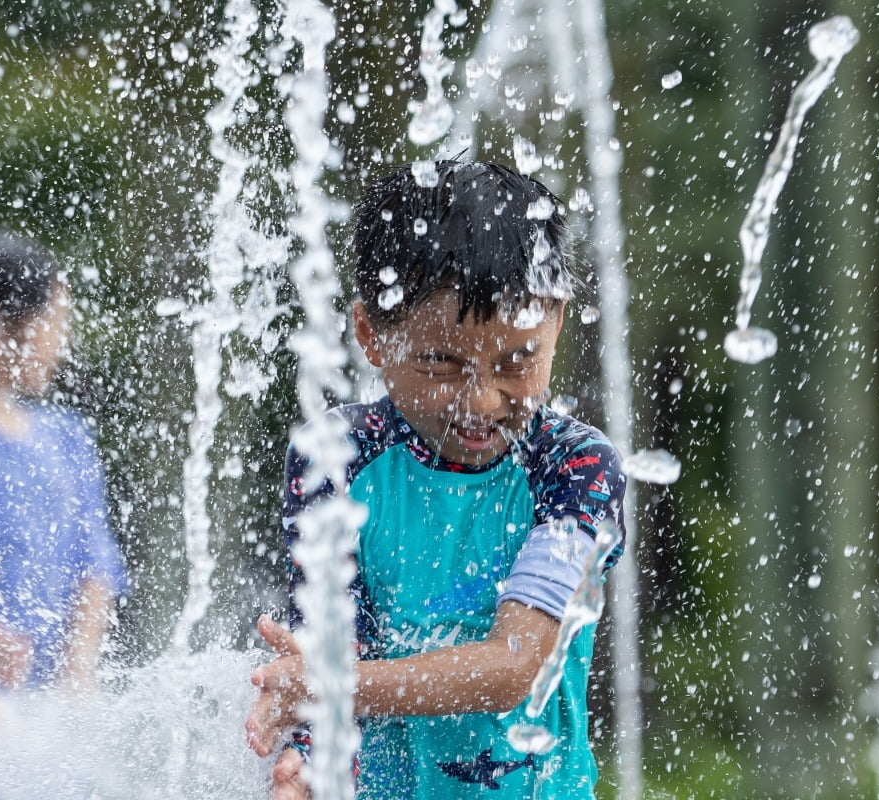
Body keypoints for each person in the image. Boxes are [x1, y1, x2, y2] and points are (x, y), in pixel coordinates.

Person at [245, 160, 628, 799]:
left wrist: (329, 687)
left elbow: (514, 664)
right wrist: (307, 760)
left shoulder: (575, 468)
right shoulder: (336, 459)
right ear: (371, 334)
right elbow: (335, 638)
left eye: (515, 362)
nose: (479, 403)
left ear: (556, 320)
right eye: (441, 364)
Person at [0, 229, 129, 693]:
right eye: (55, 323)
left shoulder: (66, 437)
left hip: (45, 712)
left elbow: (95, 566)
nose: (60, 346)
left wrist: (76, 677)